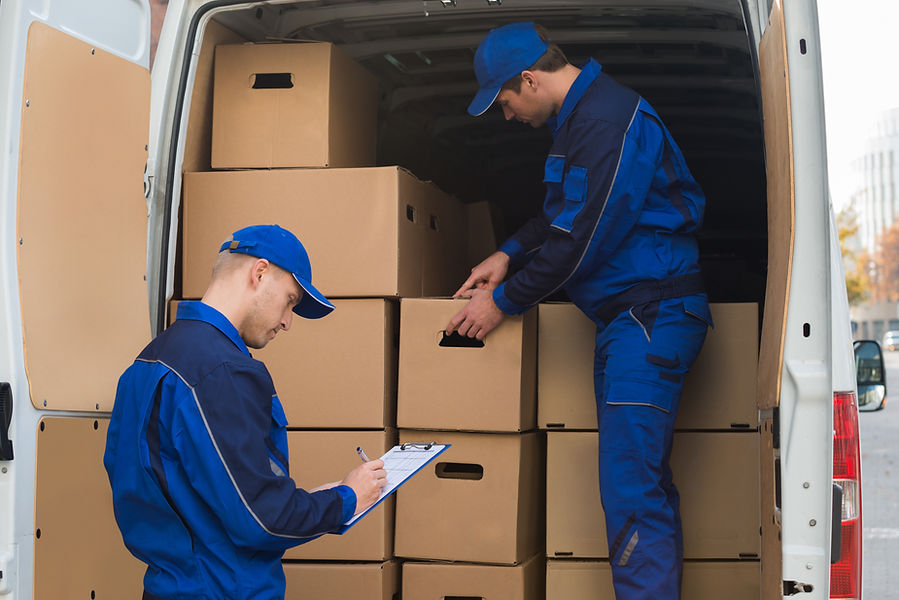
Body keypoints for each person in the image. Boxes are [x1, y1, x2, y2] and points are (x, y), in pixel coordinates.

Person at [448, 22, 713, 599]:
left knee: (630, 488)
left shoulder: (604, 120)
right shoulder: (582, 121)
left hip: (651, 317)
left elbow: (579, 243)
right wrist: (506, 253)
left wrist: (502, 302)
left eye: (505, 101)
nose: (507, 116)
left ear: (529, 78)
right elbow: (559, 218)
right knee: (640, 484)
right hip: (631, 321)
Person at [104, 224, 387, 600]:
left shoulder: (148, 361)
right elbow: (260, 520)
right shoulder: (221, 370)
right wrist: (347, 499)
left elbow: (201, 495)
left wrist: (305, 499)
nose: (288, 321)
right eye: (290, 300)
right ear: (260, 273)